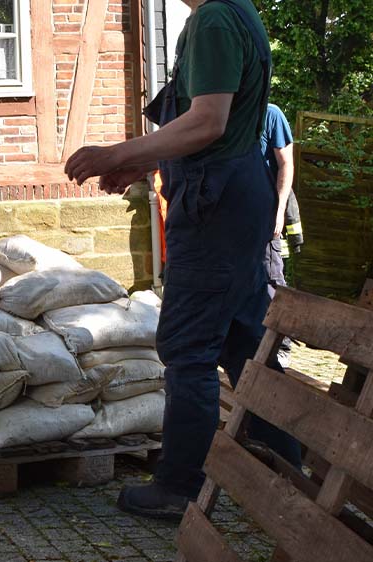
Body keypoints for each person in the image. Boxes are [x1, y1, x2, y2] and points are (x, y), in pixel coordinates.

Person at [65, 0, 302, 519]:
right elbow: (220, 126)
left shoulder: (214, 18)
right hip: (235, 201)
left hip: (214, 208)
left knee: (189, 347)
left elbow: (208, 122)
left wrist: (118, 153)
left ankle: (178, 488)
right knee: (243, 342)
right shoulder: (237, 12)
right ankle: (290, 471)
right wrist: (147, 161)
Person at [260, 103, 298, 365]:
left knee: (272, 283)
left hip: (266, 219)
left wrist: (280, 210)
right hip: (234, 223)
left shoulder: (271, 115)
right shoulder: (227, 115)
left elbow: (286, 164)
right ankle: (255, 344)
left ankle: (282, 347)